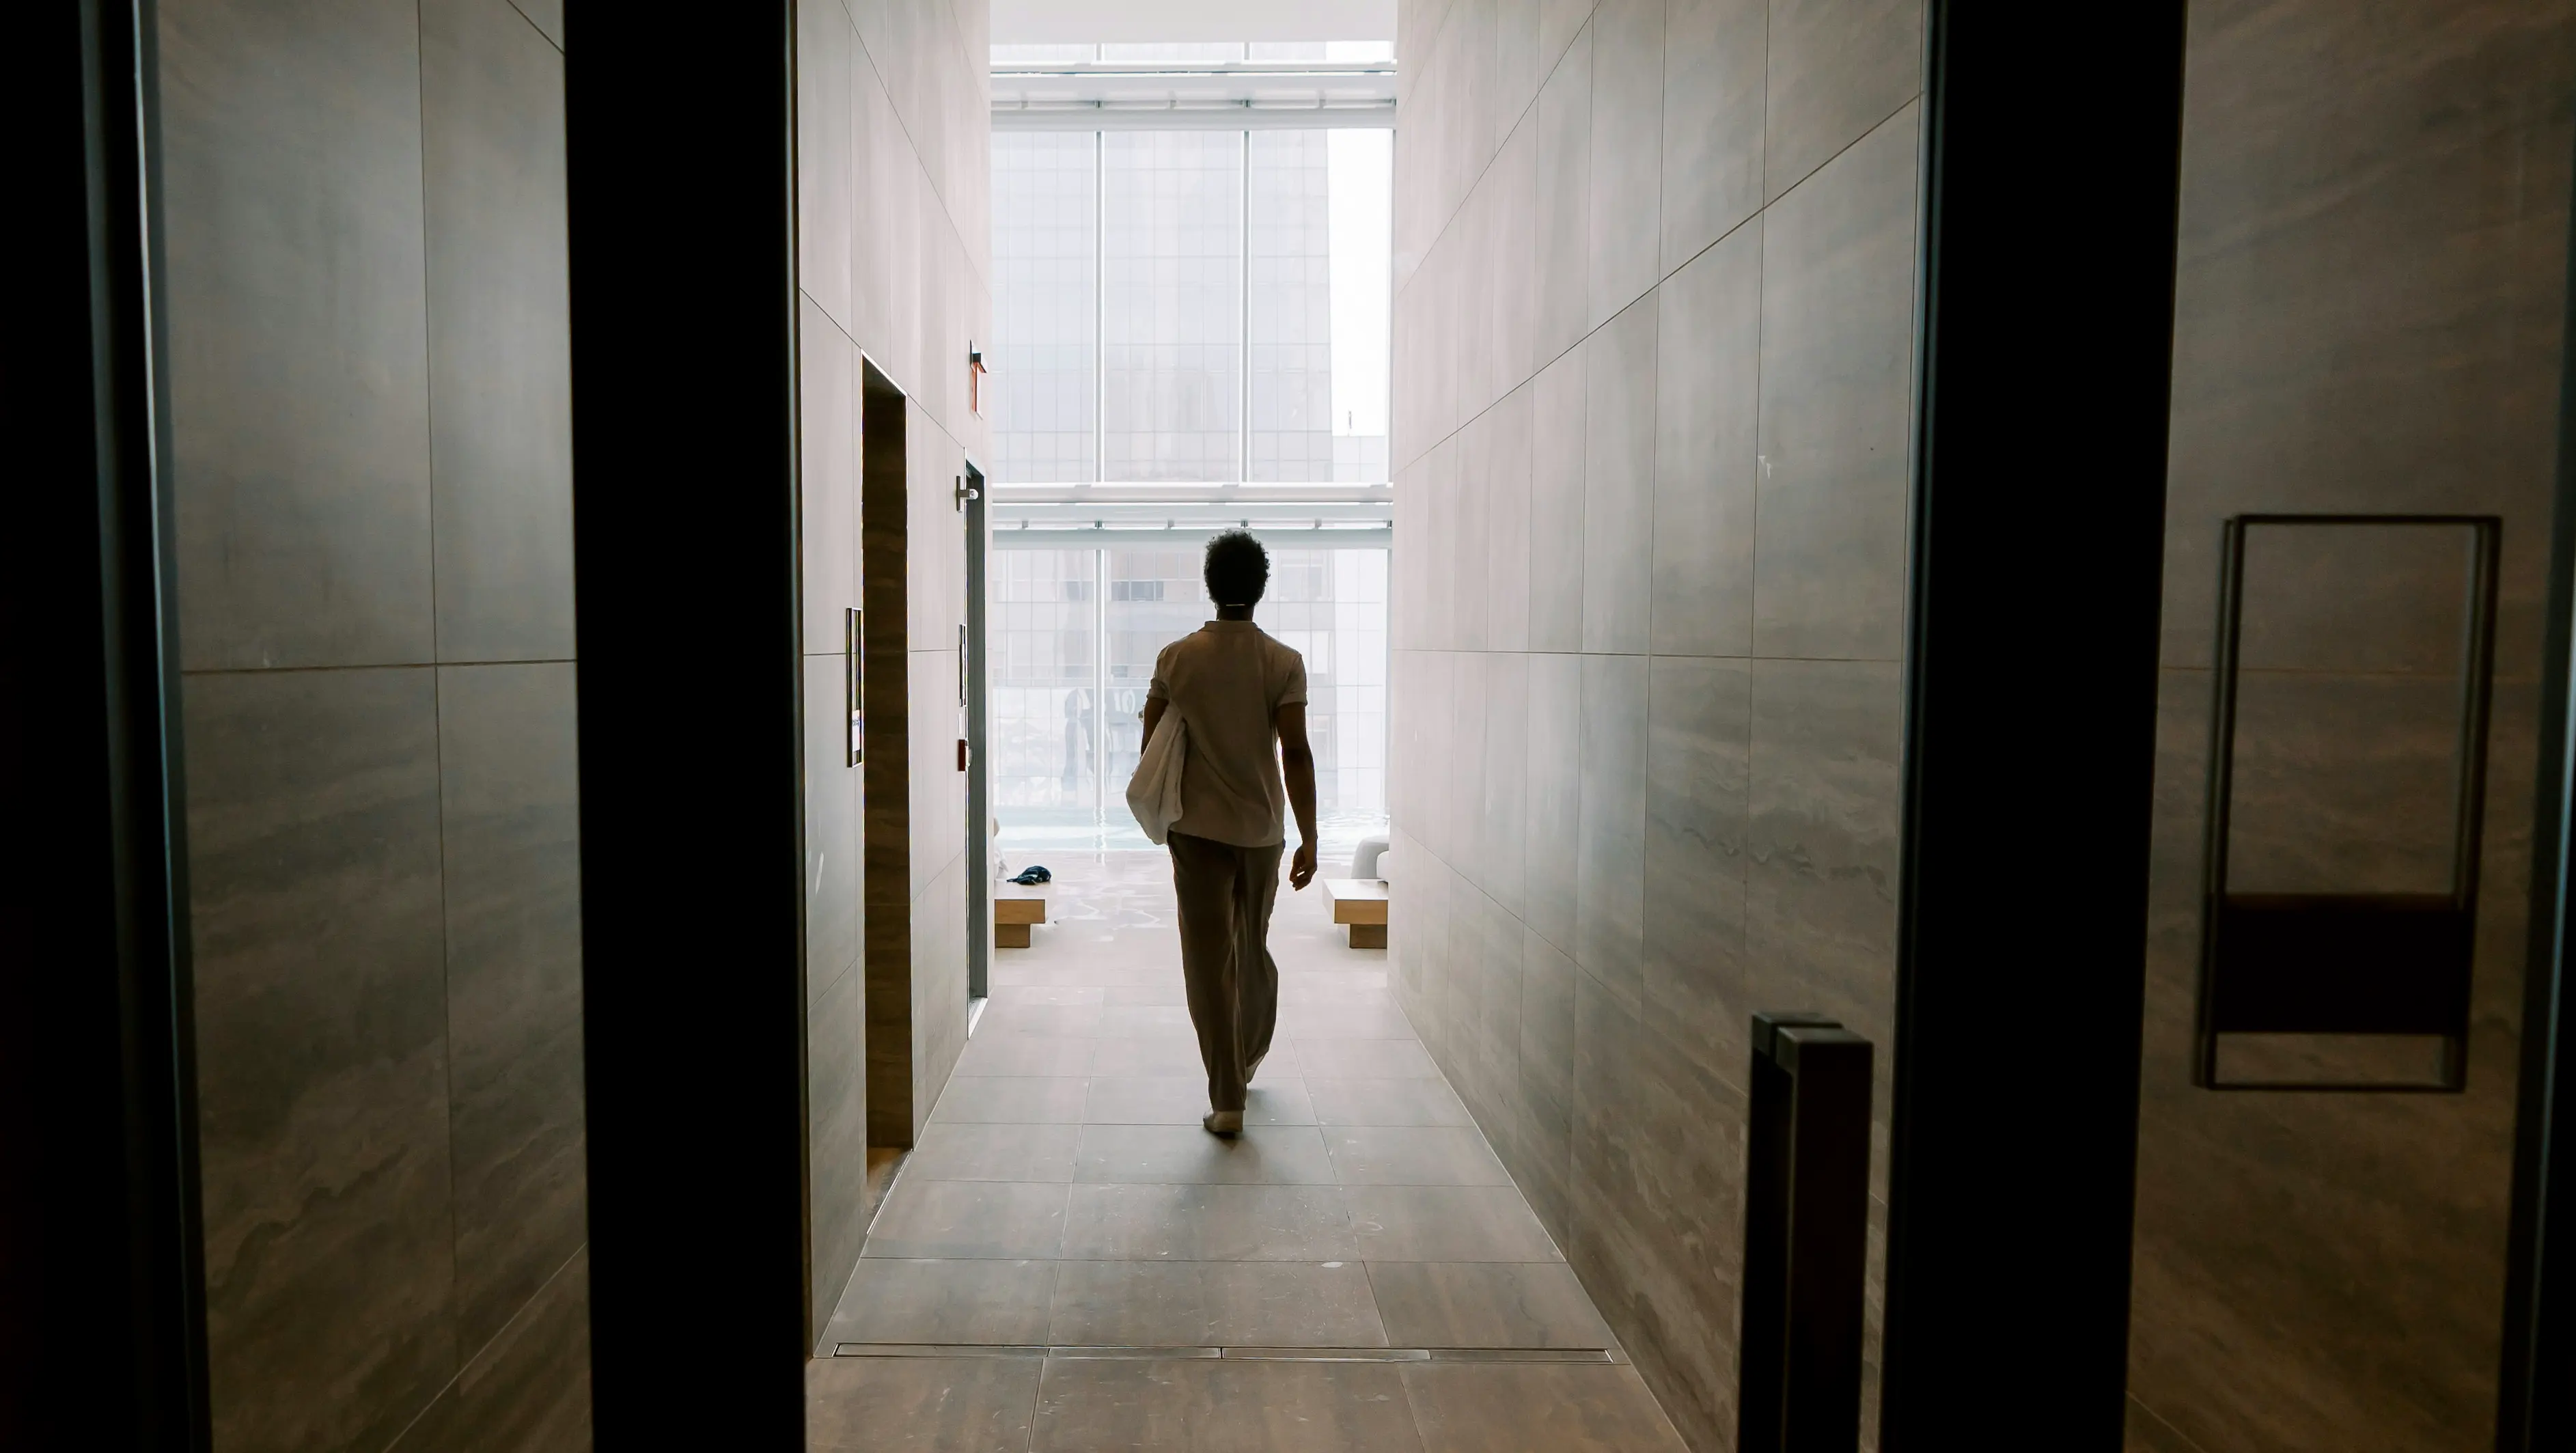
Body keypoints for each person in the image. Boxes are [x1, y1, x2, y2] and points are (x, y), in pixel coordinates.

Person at [1137, 531, 1318, 1135]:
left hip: (1196, 831)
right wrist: (1309, 836)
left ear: (1210, 586)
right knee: (1252, 948)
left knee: (1208, 960)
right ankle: (1247, 1055)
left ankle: (1227, 1099)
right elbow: (1295, 752)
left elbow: (1151, 746)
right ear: (1260, 587)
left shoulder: (1176, 658)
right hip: (1262, 832)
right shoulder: (1283, 661)